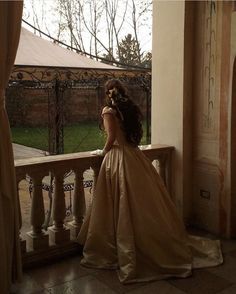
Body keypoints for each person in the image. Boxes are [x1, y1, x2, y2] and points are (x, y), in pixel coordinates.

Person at [77, 79, 223, 284]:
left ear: (108, 93)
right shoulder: (128, 109)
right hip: (135, 157)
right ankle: (143, 242)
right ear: (121, 91)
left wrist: (102, 152)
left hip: (117, 159)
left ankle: (125, 247)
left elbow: (111, 137)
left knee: (119, 202)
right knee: (142, 204)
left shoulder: (108, 111)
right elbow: (130, 136)